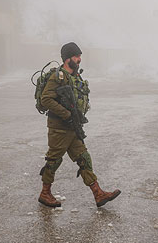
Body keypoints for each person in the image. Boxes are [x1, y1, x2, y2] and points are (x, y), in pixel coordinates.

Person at [38, 42, 121, 208]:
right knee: (54, 160)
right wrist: (66, 114)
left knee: (84, 159)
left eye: (80, 56)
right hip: (59, 128)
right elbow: (45, 99)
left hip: (72, 127)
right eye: (77, 56)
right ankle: (45, 193)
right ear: (68, 58)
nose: (79, 59)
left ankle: (98, 194)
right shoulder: (58, 76)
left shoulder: (75, 76)